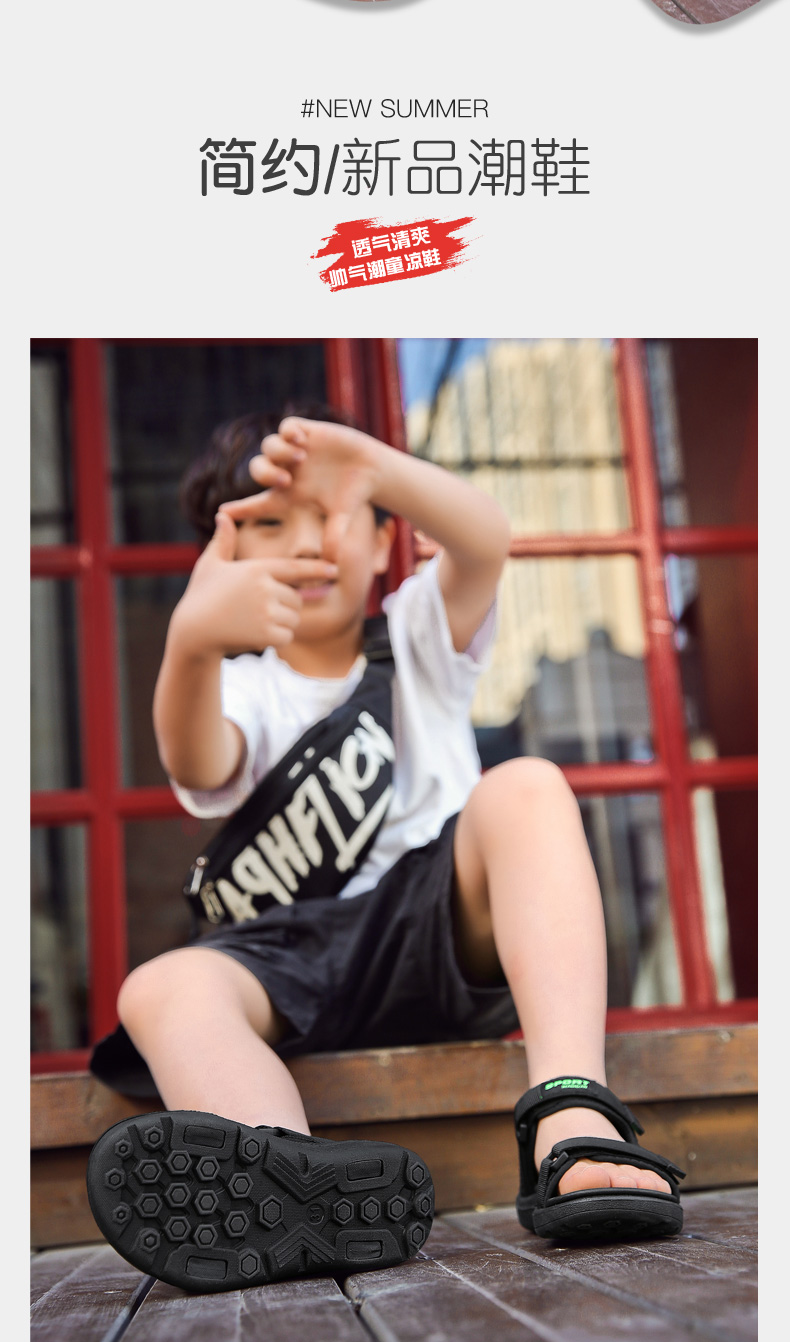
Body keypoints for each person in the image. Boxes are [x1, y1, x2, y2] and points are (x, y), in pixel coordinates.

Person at [87, 405, 684, 1294]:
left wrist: (373, 463)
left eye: (332, 513)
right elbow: (196, 757)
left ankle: (572, 1119)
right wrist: (190, 639)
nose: (309, 544)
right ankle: (281, 1177)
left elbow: (484, 538)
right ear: (227, 557)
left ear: (380, 539)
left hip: (438, 927)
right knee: (159, 986)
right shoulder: (241, 687)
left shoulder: (415, 636)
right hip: (293, 958)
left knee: (526, 786)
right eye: (271, 524)